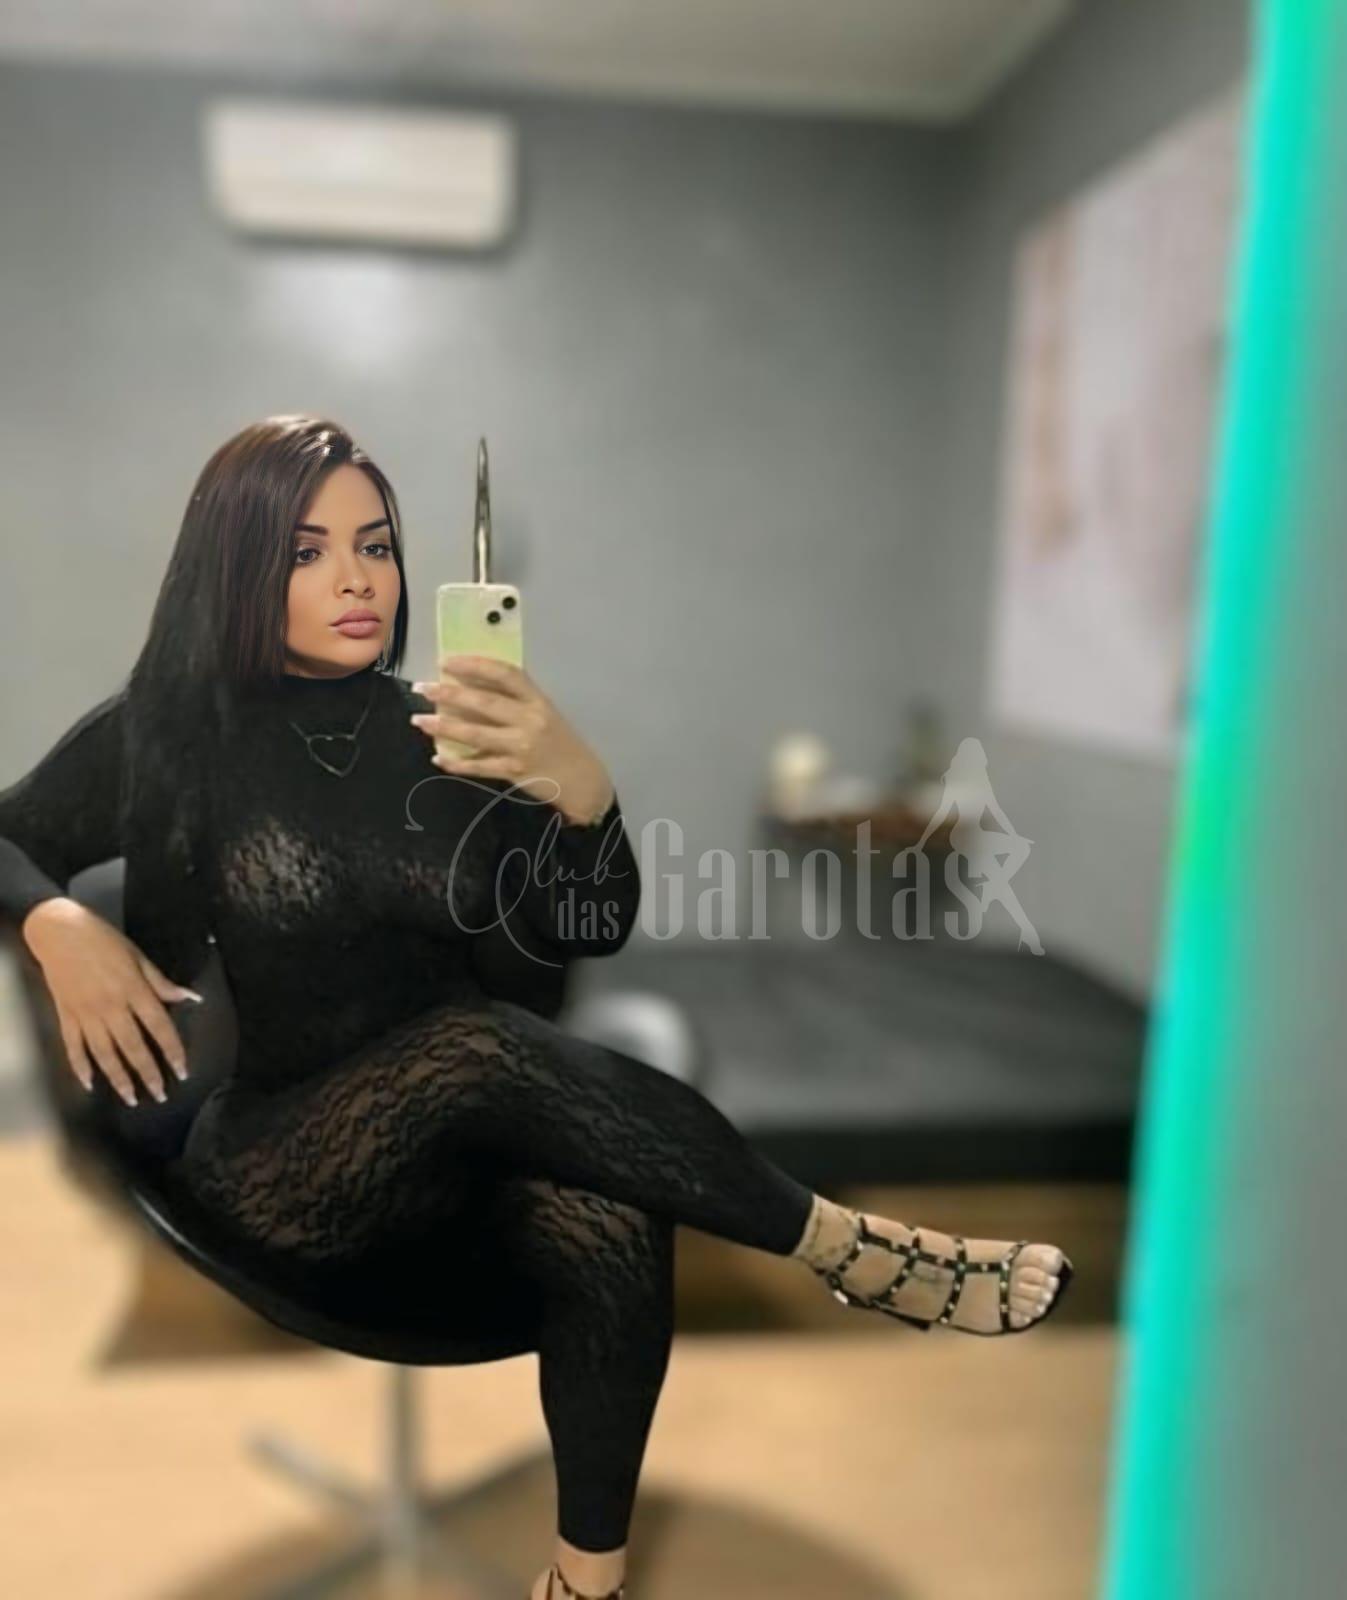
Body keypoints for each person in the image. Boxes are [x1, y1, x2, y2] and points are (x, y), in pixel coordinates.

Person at [0, 415, 1073, 1600]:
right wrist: (55, 924)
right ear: (237, 565)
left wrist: (582, 796)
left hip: (456, 1161)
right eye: (307, 552)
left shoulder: (447, 732)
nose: (357, 579)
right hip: (276, 1163)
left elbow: (577, 933)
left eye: (376, 544)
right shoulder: (172, 734)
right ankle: (849, 1251)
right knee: (467, 1047)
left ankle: (582, 1583)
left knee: (611, 1214)